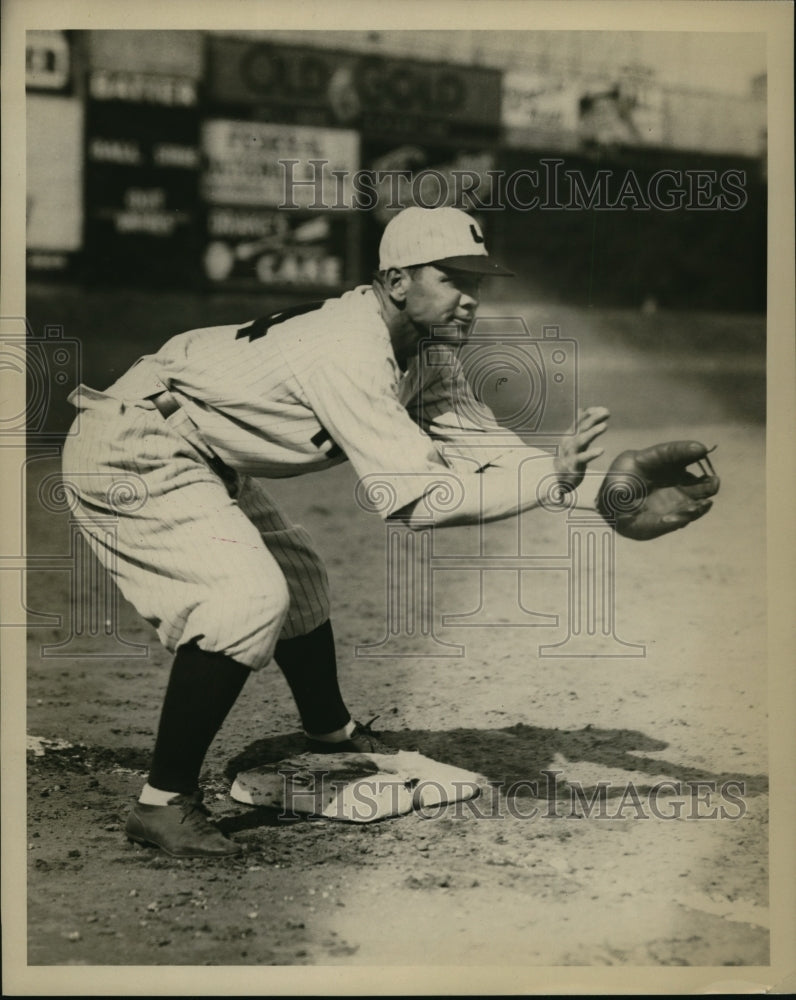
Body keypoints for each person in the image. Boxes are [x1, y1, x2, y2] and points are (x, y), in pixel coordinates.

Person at [60, 205, 615, 858]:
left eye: (478, 282)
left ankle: (329, 732)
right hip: (133, 446)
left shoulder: (425, 354)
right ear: (398, 282)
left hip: (196, 451)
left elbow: (486, 448)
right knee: (247, 599)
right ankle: (163, 802)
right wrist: (552, 481)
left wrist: (597, 487)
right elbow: (414, 500)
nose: (470, 299)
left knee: (300, 580)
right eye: (453, 278)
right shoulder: (349, 348)